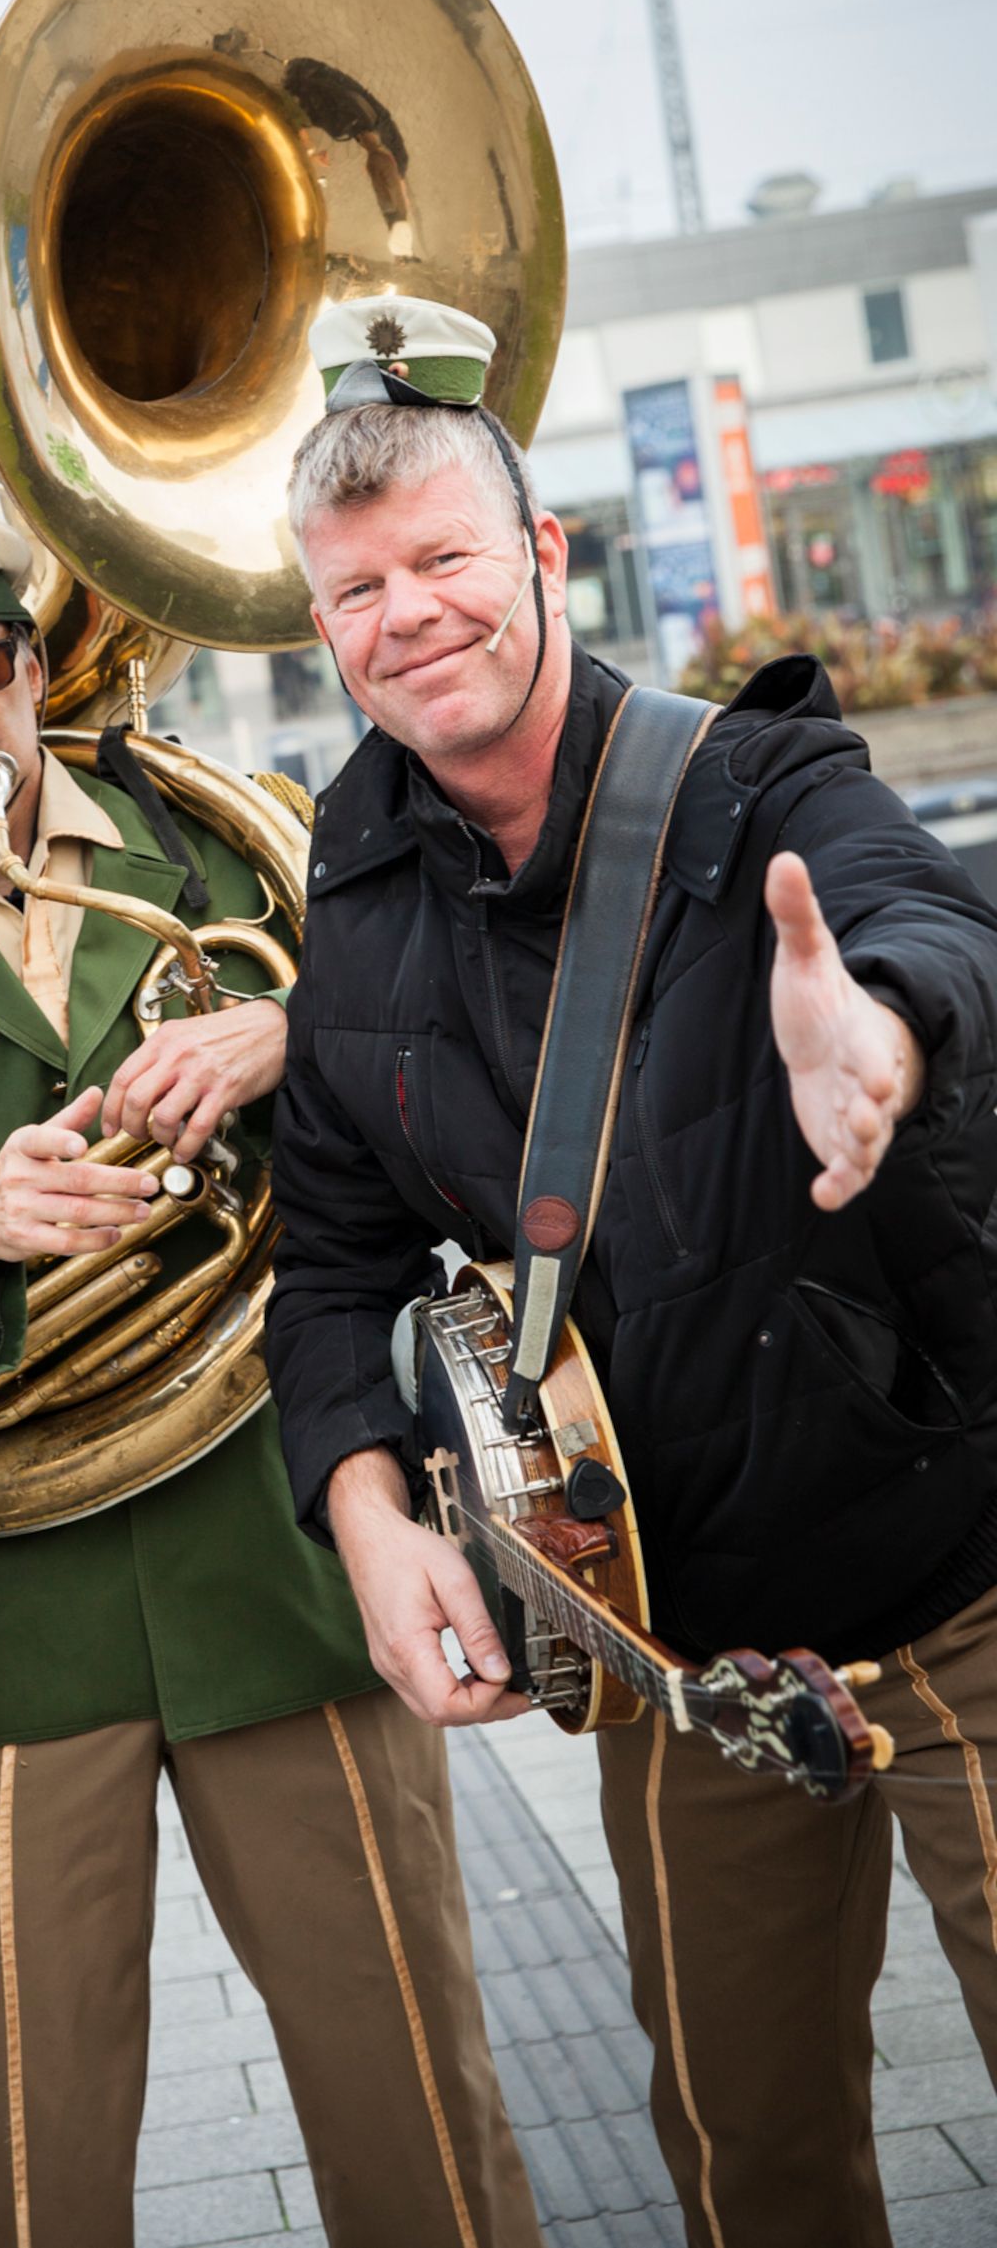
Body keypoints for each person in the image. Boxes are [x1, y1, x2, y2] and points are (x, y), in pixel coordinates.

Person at [0, 493, 542, 2248]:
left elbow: (433, 1051)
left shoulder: (217, 847)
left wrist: (291, 1030)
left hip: (281, 1549)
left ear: (31, 663)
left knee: (414, 2087)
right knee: (23, 2149)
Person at [264, 297, 997, 2248]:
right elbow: (325, 1266)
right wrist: (368, 1521)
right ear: (320, 624)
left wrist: (882, 1030)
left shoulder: (762, 779)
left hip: (963, 1570)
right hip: (690, 1656)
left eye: (443, 559)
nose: (408, 615)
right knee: (750, 2174)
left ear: (544, 552)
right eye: (357, 589)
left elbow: (926, 916)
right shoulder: (351, 906)